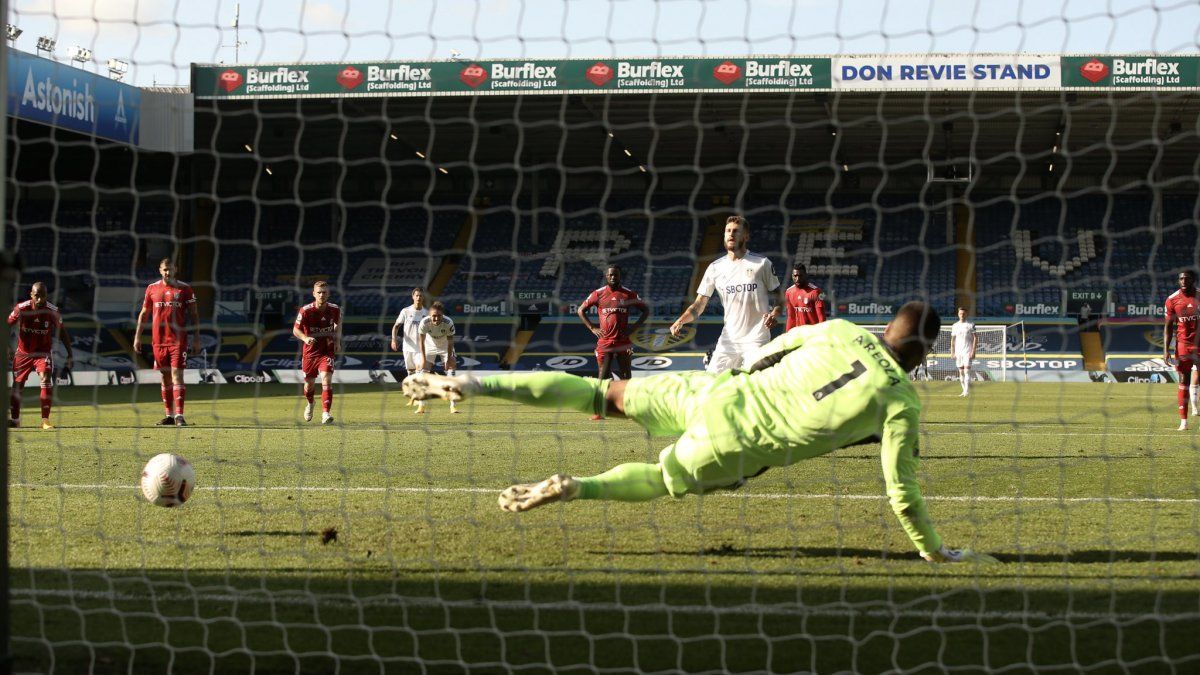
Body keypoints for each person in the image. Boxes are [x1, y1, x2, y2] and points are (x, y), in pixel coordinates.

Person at [404, 302, 998, 564]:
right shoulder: (901, 404)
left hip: (715, 392)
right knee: (664, 478)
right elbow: (900, 489)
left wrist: (742, 376)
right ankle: (576, 486)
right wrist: (933, 550)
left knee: (596, 392)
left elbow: (772, 350)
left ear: (887, 324)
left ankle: (476, 384)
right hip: (739, 446)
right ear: (922, 354)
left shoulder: (838, 329)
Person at [670, 216, 780, 372]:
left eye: (736, 231)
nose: (731, 234)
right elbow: (699, 304)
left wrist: (774, 313)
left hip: (756, 339)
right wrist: (681, 320)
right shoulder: (715, 268)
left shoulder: (762, 263)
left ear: (746, 236)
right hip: (728, 340)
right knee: (713, 383)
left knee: (754, 384)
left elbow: (779, 297)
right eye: (728, 231)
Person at [132, 258, 200, 427]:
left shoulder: (185, 289)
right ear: (160, 270)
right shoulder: (152, 288)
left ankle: (179, 415)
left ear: (175, 269)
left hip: (178, 341)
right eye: (164, 270)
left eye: (170, 269)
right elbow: (144, 313)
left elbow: (194, 316)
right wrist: (137, 337)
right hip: (158, 341)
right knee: (165, 377)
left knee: (177, 376)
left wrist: (197, 338)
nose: (167, 272)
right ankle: (169, 416)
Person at [577, 265, 649, 419]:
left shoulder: (628, 294)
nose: (613, 277)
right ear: (606, 276)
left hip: (623, 341)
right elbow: (580, 310)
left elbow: (646, 310)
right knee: (603, 377)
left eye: (615, 275)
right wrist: (592, 328)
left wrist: (633, 328)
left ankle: (630, 410)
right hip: (605, 342)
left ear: (619, 276)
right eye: (610, 275)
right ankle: (599, 411)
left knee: (626, 376)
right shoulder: (598, 294)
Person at [8, 282, 73, 429]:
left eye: (42, 296)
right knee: (17, 385)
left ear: (46, 296)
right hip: (23, 353)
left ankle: (45, 420)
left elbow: (62, 332)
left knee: (45, 378)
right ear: (31, 294)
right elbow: (6, 325)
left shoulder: (52, 311)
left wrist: (70, 354)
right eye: (37, 296)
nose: (39, 300)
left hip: (43, 353)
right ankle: (15, 420)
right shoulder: (21, 308)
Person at [293, 280, 341, 425]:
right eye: (319, 292)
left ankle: (325, 413)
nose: (322, 295)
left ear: (329, 294)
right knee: (309, 384)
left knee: (326, 379)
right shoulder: (305, 310)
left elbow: (338, 324)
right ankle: (310, 403)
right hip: (309, 353)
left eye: (324, 292)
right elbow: (295, 330)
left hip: (326, 350)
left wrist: (337, 342)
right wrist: (305, 338)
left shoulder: (335, 309)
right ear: (314, 294)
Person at [1163, 270, 1199, 431]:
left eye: (1187, 278)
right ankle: (1183, 421)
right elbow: (1168, 327)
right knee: (1184, 380)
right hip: (1183, 345)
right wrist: (1165, 349)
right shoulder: (1172, 300)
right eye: (1181, 278)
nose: (1183, 281)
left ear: (1193, 280)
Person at [416, 301, 458, 414]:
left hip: (445, 347)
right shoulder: (424, 322)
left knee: (452, 367)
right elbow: (421, 341)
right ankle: (421, 405)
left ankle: (453, 405)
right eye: (434, 316)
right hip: (429, 346)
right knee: (422, 372)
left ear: (442, 315)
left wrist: (448, 358)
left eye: (438, 316)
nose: (436, 318)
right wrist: (423, 359)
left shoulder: (448, 322)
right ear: (430, 315)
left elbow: (450, 343)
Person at [391, 287, 429, 406]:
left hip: (421, 348)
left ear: (423, 298)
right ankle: (413, 396)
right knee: (410, 373)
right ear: (413, 297)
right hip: (407, 347)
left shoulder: (427, 313)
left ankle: (420, 399)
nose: (418, 297)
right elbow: (396, 326)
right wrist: (393, 340)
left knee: (420, 371)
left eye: (420, 296)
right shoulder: (406, 311)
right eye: (416, 295)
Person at [783, 262, 827, 330]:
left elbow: (821, 317)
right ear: (792, 276)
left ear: (805, 275)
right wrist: (787, 335)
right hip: (798, 334)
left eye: (800, 276)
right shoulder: (788, 292)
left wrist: (821, 334)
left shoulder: (817, 292)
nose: (797, 279)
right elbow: (791, 317)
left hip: (813, 334)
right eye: (795, 276)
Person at [949, 307, 977, 397]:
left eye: (964, 313)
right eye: (960, 313)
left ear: (966, 314)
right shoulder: (955, 325)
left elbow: (976, 338)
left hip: (967, 351)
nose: (962, 315)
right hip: (958, 352)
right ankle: (964, 391)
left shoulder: (970, 324)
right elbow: (953, 340)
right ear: (958, 314)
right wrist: (952, 352)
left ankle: (966, 391)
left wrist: (973, 351)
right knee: (960, 372)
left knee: (966, 371)